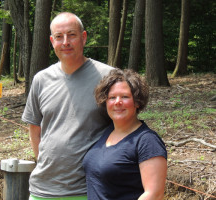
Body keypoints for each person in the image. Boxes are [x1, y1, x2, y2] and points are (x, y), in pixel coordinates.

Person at [21, 12, 114, 199]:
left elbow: (124, 127)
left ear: (83, 37)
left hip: (88, 189)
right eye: (59, 36)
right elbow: (34, 127)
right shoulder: (41, 79)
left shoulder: (109, 78)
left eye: (71, 34)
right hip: (42, 189)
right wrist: (42, 160)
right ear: (51, 41)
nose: (65, 42)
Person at [83, 69, 167, 200]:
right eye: (112, 97)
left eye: (125, 96)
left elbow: (154, 194)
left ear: (137, 102)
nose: (117, 102)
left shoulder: (147, 141)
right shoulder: (107, 132)